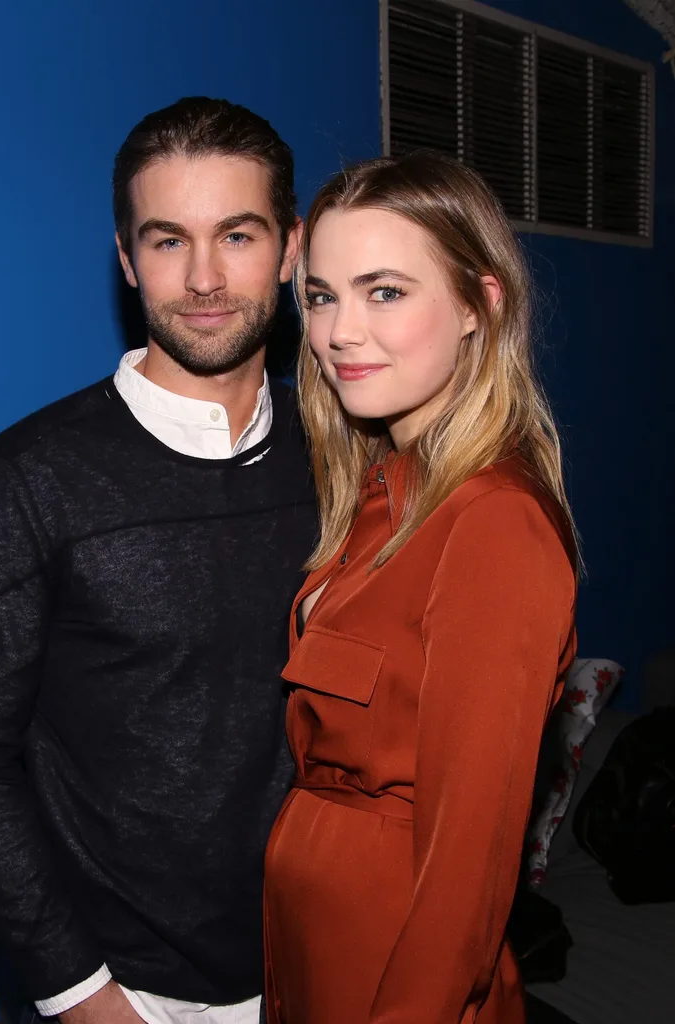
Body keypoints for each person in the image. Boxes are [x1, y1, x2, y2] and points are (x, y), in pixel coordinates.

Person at [0, 97, 316, 1024]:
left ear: (291, 249)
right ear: (128, 259)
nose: (206, 278)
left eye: (239, 235)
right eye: (169, 240)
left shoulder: (344, 453)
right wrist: (82, 998)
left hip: (323, 955)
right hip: (130, 994)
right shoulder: (22, 481)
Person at [263, 152, 579, 1024]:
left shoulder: (491, 522)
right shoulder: (383, 492)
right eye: (321, 296)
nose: (339, 333)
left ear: (481, 305)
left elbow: (468, 864)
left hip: (396, 954)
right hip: (316, 935)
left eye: (385, 292)